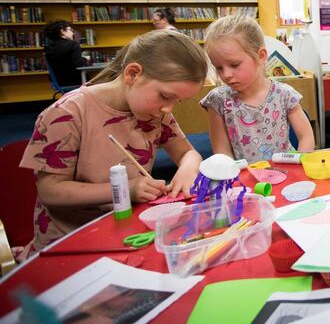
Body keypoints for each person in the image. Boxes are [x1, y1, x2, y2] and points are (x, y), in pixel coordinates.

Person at [18, 30, 208, 259]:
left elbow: (187, 153)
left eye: (178, 101)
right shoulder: (67, 113)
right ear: (133, 73)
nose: (169, 108)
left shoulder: (156, 113)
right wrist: (125, 189)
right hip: (71, 244)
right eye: (166, 96)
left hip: (129, 234)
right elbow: (51, 191)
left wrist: (188, 167)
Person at [201, 15, 314, 163]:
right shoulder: (218, 100)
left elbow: (306, 137)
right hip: (246, 178)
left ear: (261, 56)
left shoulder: (284, 94)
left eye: (234, 64)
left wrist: (299, 165)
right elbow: (222, 153)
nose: (226, 75)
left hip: (287, 172)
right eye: (219, 68)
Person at [43, 20, 87, 87]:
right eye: (70, 30)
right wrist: (85, 59)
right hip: (76, 81)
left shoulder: (48, 48)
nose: (72, 33)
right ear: (62, 31)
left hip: (59, 83)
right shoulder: (73, 44)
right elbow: (78, 64)